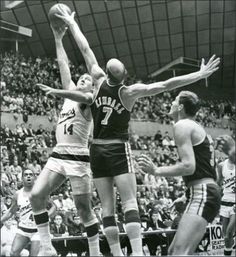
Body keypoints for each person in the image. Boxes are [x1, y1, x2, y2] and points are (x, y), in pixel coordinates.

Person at [38, 10, 220, 256]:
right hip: (116, 147)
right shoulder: (129, 92)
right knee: (130, 201)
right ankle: (136, 251)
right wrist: (198, 75)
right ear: (122, 75)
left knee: (107, 208)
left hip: (97, 148)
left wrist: (72, 23)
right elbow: (166, 85)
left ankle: (116, 252)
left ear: (105, 71)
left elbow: (85, 48)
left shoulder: (98, 79)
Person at [29, 25, 100, 256]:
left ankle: (95, 251)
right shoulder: (70, 93)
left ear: (92, 86)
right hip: (59, 153)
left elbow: (84, 95)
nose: (82, 79)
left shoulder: (89, 99)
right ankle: (47, 246)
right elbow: (63, 67)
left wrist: (56, 92)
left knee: (84, 210)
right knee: (36, 195)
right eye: (80, 78)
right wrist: (58, 39)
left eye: (87, 78)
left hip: (78, 156)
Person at [137, 91, 222, 255]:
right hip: (204, 191)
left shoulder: (182, 125)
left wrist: (156, 170)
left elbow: (188, 166)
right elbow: (210, 173)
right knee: (174, 251)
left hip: (202, 193)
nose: (171, 103)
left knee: (179, 252)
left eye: (174, 100)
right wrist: (186, 195)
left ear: (181, 107)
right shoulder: (196, 127)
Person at [1, 169, 56, 256]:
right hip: (23, 229)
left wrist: (46, 216)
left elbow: (53, 207)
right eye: (26, 175)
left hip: (38, 230)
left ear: (34, 177)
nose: (28, 176)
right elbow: (11, 212)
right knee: (13, 253)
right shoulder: (17, 194)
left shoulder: (41, 192)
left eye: (31, 174)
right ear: (22, 178)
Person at [217, 151, 235, 255]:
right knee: (226, 237)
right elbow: (218, 183)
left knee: (229, 233)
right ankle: (228, 251)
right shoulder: (221, 165)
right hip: (224, 202)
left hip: (235, 203)